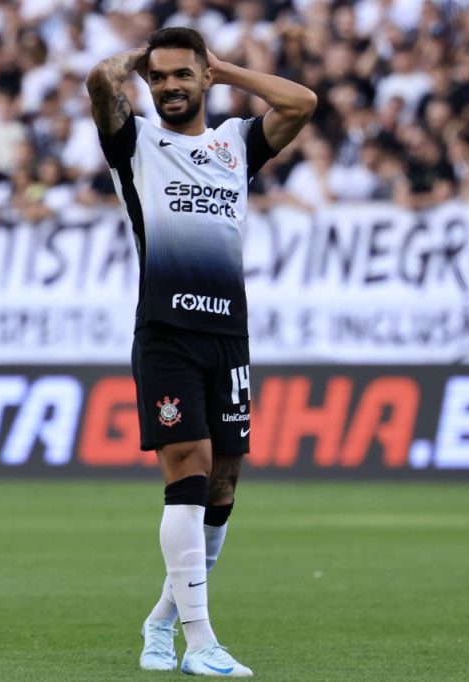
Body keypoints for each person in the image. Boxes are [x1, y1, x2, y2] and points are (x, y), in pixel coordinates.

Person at [87, 27, 316, 677]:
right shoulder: (133, 143)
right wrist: (142, 59)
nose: (168, 87)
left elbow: (302, 103)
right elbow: (101, 82)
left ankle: (161, 622)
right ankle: (201, 641)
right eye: (158, 79)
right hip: (166, 334)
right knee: (187, 476)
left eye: (182, 76)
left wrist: (223, 68)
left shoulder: (237, 143)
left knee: (223, 484)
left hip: (229, 336)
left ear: (205, 79)